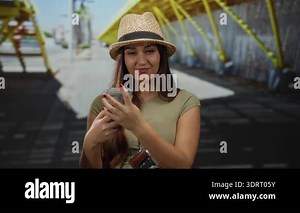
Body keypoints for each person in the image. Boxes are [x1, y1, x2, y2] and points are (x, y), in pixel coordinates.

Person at [80, 12, 201, 169]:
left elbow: (183, 164)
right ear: (123, 59)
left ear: (161, 55)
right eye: (132, 53)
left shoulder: (186, 102)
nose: (142, 61)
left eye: (149, 51)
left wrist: (137, 126)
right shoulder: (104, 103)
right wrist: (90, 143)